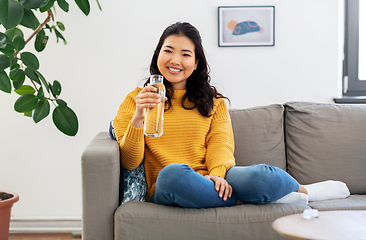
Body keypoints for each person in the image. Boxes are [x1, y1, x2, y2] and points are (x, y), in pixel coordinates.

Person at [113, 22, 350, 208]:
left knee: (260, 175)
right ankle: (251, 199)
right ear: (158, 55)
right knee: (172, 174)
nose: (175, 60)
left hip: (217, 179)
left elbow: (220, 144)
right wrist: (138, 118)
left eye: (185, 54)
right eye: (168, 51)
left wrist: (216, 176)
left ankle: (306, 191)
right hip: (171, 184)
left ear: (196, 63)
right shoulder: (136, 99)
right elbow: (129, 162)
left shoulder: (214, 102)